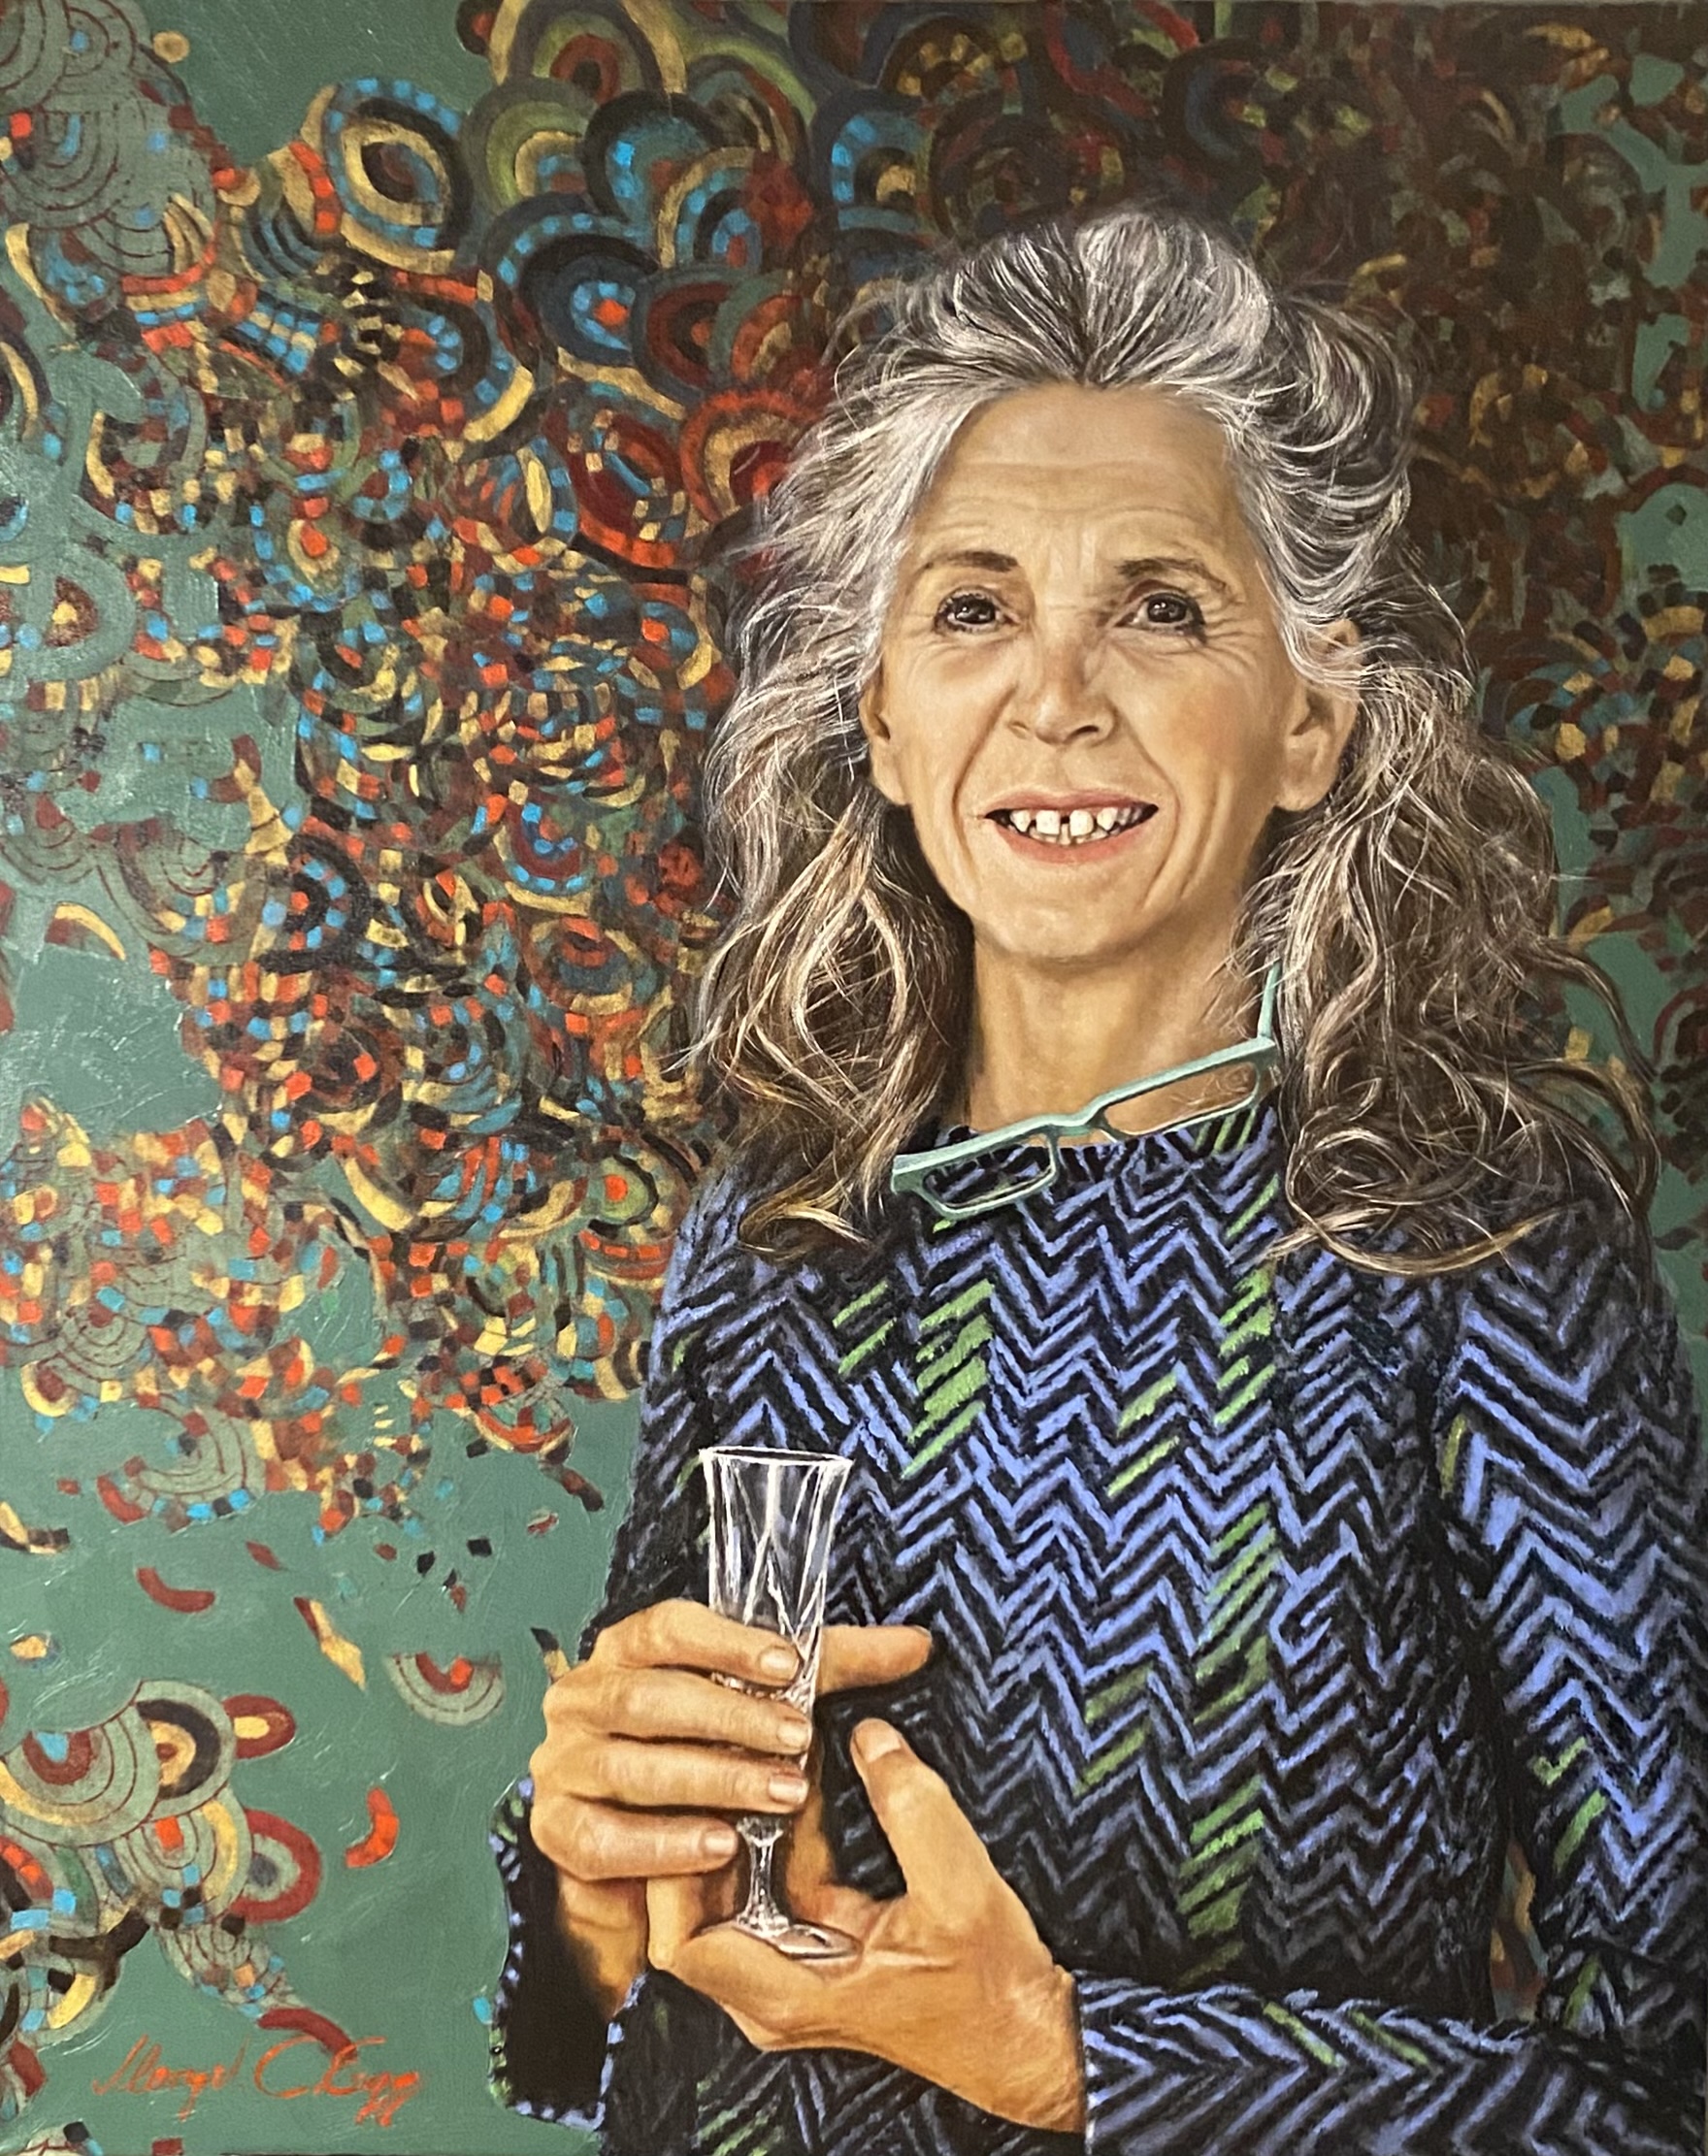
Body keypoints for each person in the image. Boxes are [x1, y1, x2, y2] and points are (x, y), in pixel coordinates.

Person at [485, 203, 1708, 2154]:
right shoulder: (778, 1225)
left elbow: (1658, 2088)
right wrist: (589, 1874)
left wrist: (1077, 2057)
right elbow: (630, 2007)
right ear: (883, 718)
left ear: (1309, 718)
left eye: (1159, 606)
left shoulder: (1474, 1237)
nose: (1055, 696)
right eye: (973, 610)